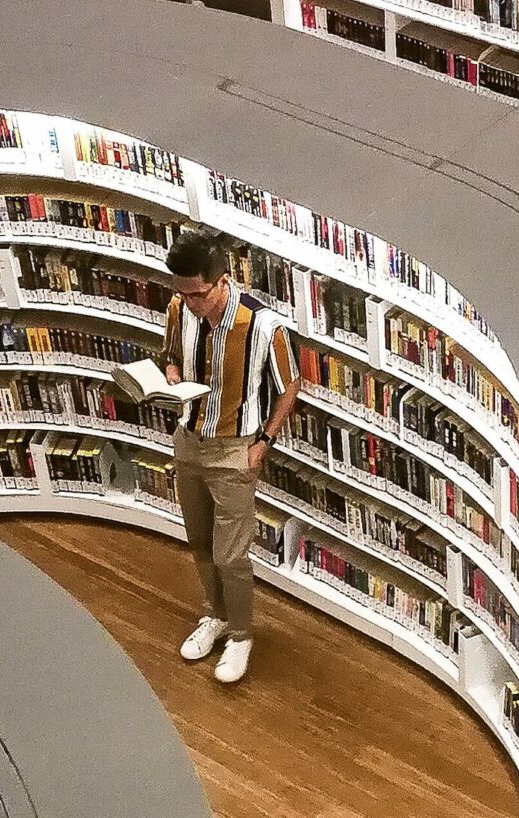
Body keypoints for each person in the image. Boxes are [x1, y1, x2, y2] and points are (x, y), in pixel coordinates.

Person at [160, 231, 300, 683]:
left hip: (235, 451)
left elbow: (290, 387)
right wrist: (171, 378)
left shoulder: (264, 327)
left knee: (231, 555)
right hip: (189, 440)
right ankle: (214, 615)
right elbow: (170, 357)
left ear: (223, 280)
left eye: (198, 294)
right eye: (182, 293)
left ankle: (241, 634)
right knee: (199, 541)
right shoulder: (179, 308)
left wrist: (264, 443)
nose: (191, 303)